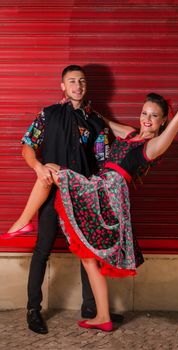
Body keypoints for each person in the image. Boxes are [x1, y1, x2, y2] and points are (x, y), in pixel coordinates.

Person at [2, 76, 178, 332]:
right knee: (87, 256)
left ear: (163, 120)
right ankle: (102, 316)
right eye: (144, 113)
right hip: (98, 188)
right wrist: (76, 103)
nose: (147, 119)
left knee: (50, 172)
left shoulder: (153, 146)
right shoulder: (130, 134)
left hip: (107, 195)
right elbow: (102, 121)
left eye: (154, 116)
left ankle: (21, 223)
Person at [2, 64, 123, 334]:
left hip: (81, 196)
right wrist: (38, 167)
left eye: (81, 81)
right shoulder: (49, 114)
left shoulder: (96, 123)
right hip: (50, 193)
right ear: (63, 86)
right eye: (71, 81)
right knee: (41, 250)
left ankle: (91, 309)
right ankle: (33, 309)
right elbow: (27, 145)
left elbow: (103, 162)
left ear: (85, 86)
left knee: (88, 253)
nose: (77, 85)